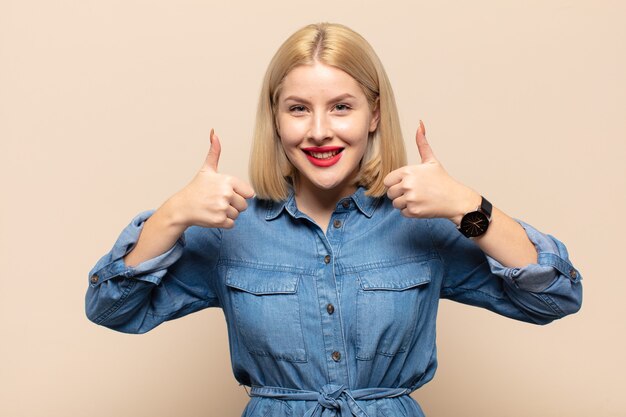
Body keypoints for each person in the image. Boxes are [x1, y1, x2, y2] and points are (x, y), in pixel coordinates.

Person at [85, 22, 582, 417]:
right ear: (275, 119)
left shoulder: (421, 224)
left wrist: (468, 205)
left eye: (341, 107)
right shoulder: (230, 229)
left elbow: (555, 297)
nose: (320, 132)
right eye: (298, 109)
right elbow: (111, 310)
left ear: (374, 114)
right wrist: (171, 216)